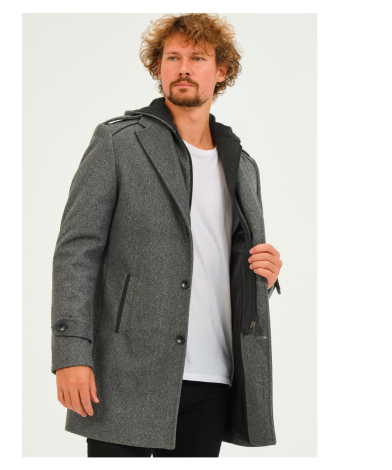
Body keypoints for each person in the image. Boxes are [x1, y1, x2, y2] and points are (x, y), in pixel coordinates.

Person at [51, 13, 283, 458]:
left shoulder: (242, 165)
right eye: (172, 57)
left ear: (222, 70)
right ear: (158, 68)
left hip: (214, 375)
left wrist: (265, 277)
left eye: (198, 58)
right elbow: (76, 251)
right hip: (125, 371)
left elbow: (223, 264)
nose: (183, 68)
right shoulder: (120, 142)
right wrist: (71, 352)